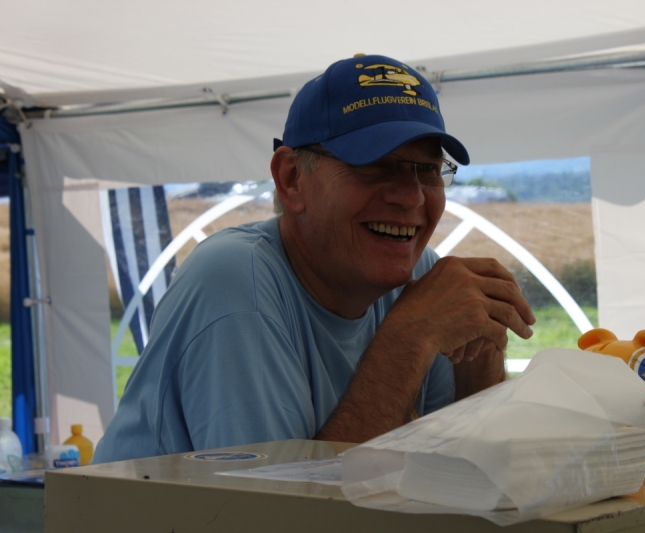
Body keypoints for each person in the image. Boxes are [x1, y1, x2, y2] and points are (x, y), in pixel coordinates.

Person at [93, 54, 535, 463]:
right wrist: (408, 337)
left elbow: (460, 475)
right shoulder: (233, 280)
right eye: (374, 165)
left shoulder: (417, 275)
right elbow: (279, 506)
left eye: (428, 169)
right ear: (291, 179)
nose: (411, 196)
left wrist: (481, 358)